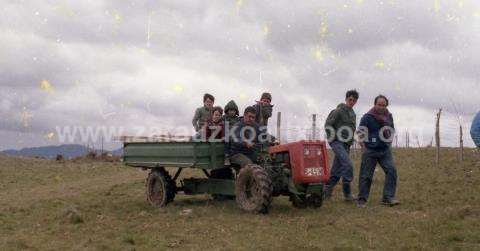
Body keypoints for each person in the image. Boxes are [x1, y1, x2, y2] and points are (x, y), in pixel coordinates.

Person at [357, 95, 399, 207]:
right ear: (375, 104)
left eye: (383, 105)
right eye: (379, 104)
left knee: (392, 171)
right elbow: (360, 134)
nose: (381, 107)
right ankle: (362, 200)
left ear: (386, 106)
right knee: (366, 176)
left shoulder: (389, 116)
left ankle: (388, 198)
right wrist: (364, 148)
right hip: (370, 150)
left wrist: (388, 143)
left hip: (385, 151)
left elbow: (391, 130)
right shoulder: (367, 117)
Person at [323, 90, 359, 202]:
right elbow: (328, 124)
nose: (351, 102)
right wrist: (333, 138)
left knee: (336, 170)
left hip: (346, 144)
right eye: (350, 99)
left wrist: (353, 139)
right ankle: (347, 194)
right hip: (337, 142)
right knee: (347, 164)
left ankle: (326, 193)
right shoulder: (338, 111)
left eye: (354, 100)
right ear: (346, 99)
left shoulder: (353, 114)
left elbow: (352, 129)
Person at [223, 100, 240, 165]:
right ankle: (226, 157)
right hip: (227, 136)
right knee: (227, 142)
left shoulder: (238, 119)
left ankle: (235, 157)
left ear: (236, 111)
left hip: (235, 136)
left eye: (233, 110)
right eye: (230, 110)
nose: (232, 112)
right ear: (227, 111)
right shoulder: (224, 118)